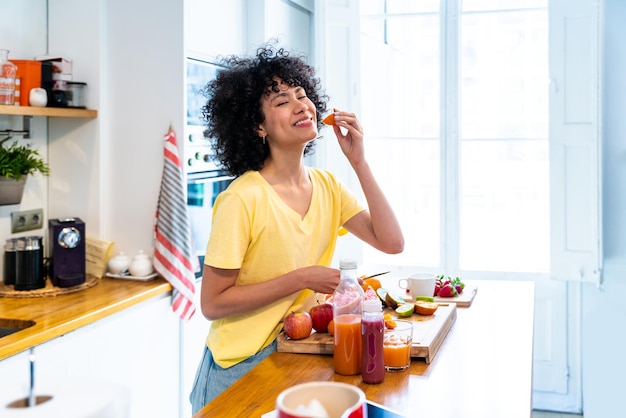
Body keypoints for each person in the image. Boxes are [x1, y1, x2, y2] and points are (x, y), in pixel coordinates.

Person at [189, 42, 404, 414]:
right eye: (281, 100)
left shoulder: (328, 186)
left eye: (301, 94)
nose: (301, 104)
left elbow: (392, 242)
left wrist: (359, 162)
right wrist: (302, 277)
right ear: (258, 126)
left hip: (299, 350)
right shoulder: (242, 199)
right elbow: (212, 303)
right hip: (241, 364)